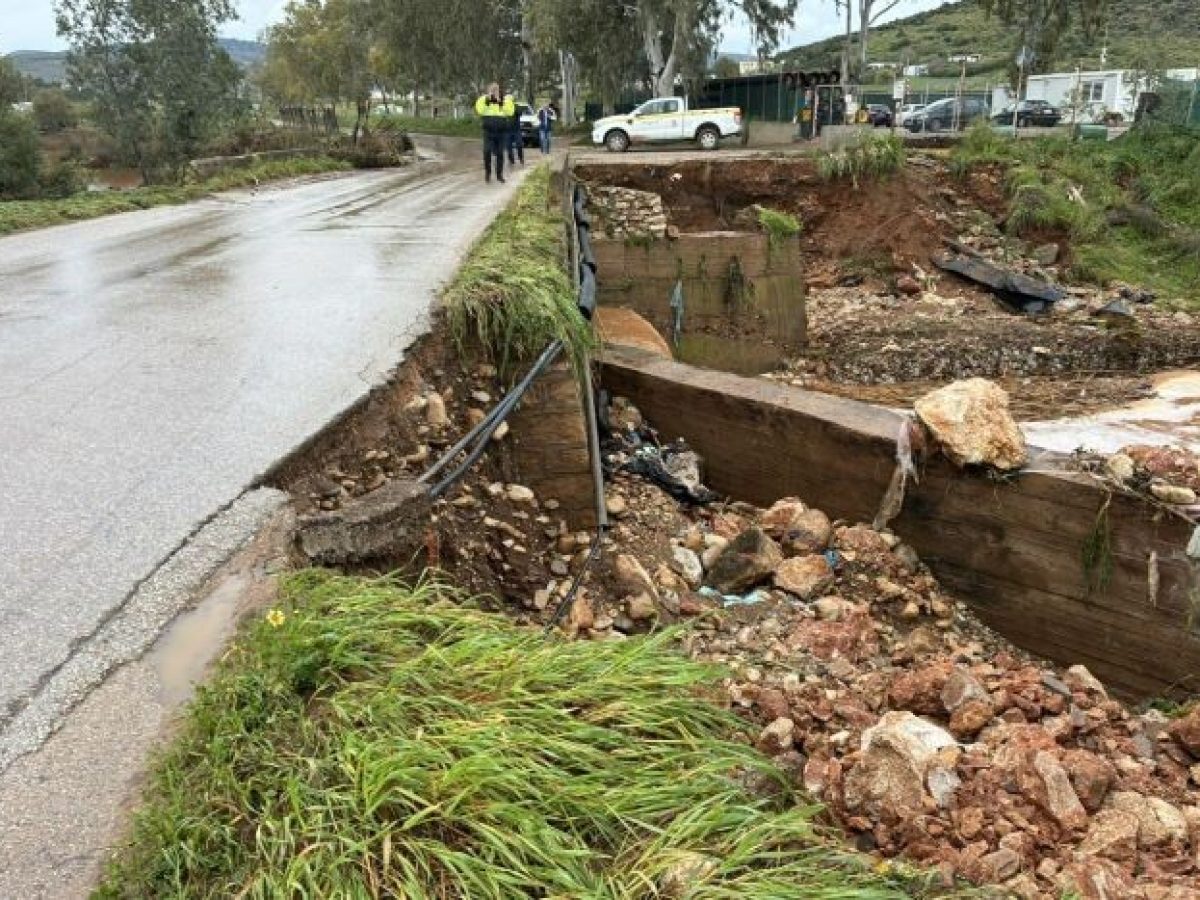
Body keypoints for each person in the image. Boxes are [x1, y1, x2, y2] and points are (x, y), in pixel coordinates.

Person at [475, 83, 514, 183]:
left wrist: (500, 103)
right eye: (492, 90)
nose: (494, 92)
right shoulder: (483, 99)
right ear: (488, 90)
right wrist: (488, 101)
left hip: (501, 132)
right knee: (487, 151)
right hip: (488, 131)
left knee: (500, 153)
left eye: (496, 90)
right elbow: (480, 111)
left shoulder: (505, 100)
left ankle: (499, 175)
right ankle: (488, 172)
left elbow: (510, 112)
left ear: (499, 90)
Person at [507, 96, 525, 167]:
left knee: (519, 145)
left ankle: (521, 158)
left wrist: (514, 106)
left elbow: (520, 113)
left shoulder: (516, 106)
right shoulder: (504, 107)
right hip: (507, 131)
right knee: (508, 147)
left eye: (510, 100)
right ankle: (511, 161)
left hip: (516, 130)